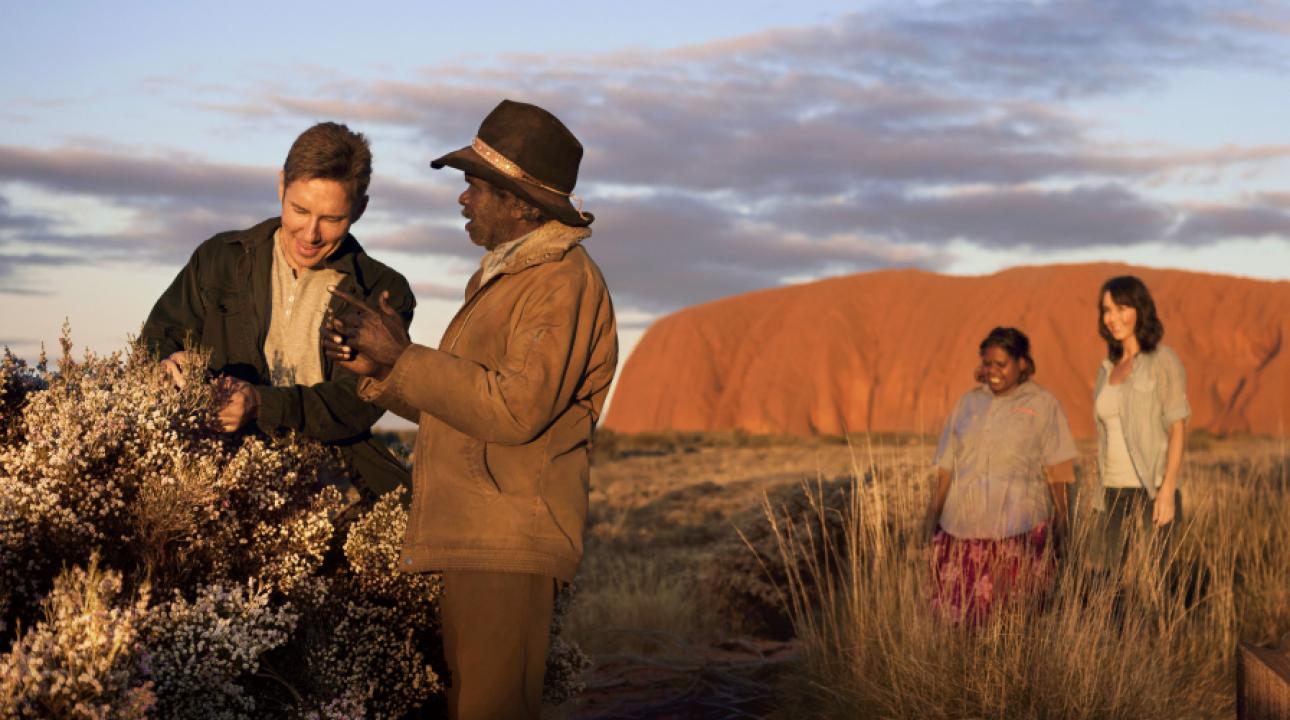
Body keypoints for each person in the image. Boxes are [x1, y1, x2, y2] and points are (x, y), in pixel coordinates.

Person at [322, 99, 618, 720]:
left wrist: (403, 354)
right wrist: (382, 371)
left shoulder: (560, 282)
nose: (463, 199)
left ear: (522, 205)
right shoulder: (509, 278)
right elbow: (466, 405)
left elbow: (514, 410)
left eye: (475, 187)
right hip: (478, 538)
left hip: (507, 543)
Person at [141, 122, 414, 504]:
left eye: (331, 219)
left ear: (360, 208)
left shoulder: (383, 291)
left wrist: (259, 403)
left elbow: (357, 404)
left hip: (335, 491)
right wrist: (168, 363)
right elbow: (156, 339)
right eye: (300, 210)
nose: (311, 234)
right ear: (281, 185)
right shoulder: (219, 258)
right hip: (213, 480)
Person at [922, 327, 1077, 624]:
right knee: (955, 618)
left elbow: (1058, 470)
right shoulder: (967, 403)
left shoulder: (1043, 404)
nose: (992, 371)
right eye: (987, 363)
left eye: (1001, 364)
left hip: (1017, 532)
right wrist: (932, 517)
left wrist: (1063, 523)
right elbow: (946, 466)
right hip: (960, 530)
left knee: (1011, 622)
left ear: (1022, 363)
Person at [1092, 275, 1189, 567]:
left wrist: (1167, 491)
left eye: (1121, 308)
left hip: (1150, 490)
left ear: (1140, 309)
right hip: (1110, 492)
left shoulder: (1162, 360)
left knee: (1155, 582)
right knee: (1110, 583)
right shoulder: (1107, 369)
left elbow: (1177, 428)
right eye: (1107, 310)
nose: (1112, 318)